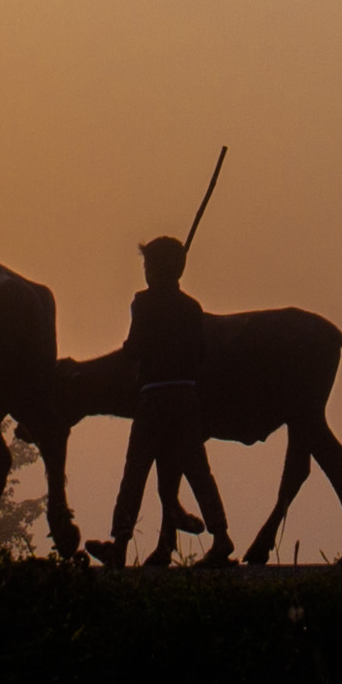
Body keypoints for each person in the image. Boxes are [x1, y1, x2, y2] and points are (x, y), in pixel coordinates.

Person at [97, 235, 234, 568]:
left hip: (154, 398)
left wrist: (126, 360)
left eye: (146, 264)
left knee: (136, 470)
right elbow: (200, 353)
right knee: (198, 470)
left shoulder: (142, 304)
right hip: (187, 396)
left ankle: (119, 543)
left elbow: (135, 348)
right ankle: (220, 536)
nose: (144, 270)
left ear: (153, 270)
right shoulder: (191, 307)